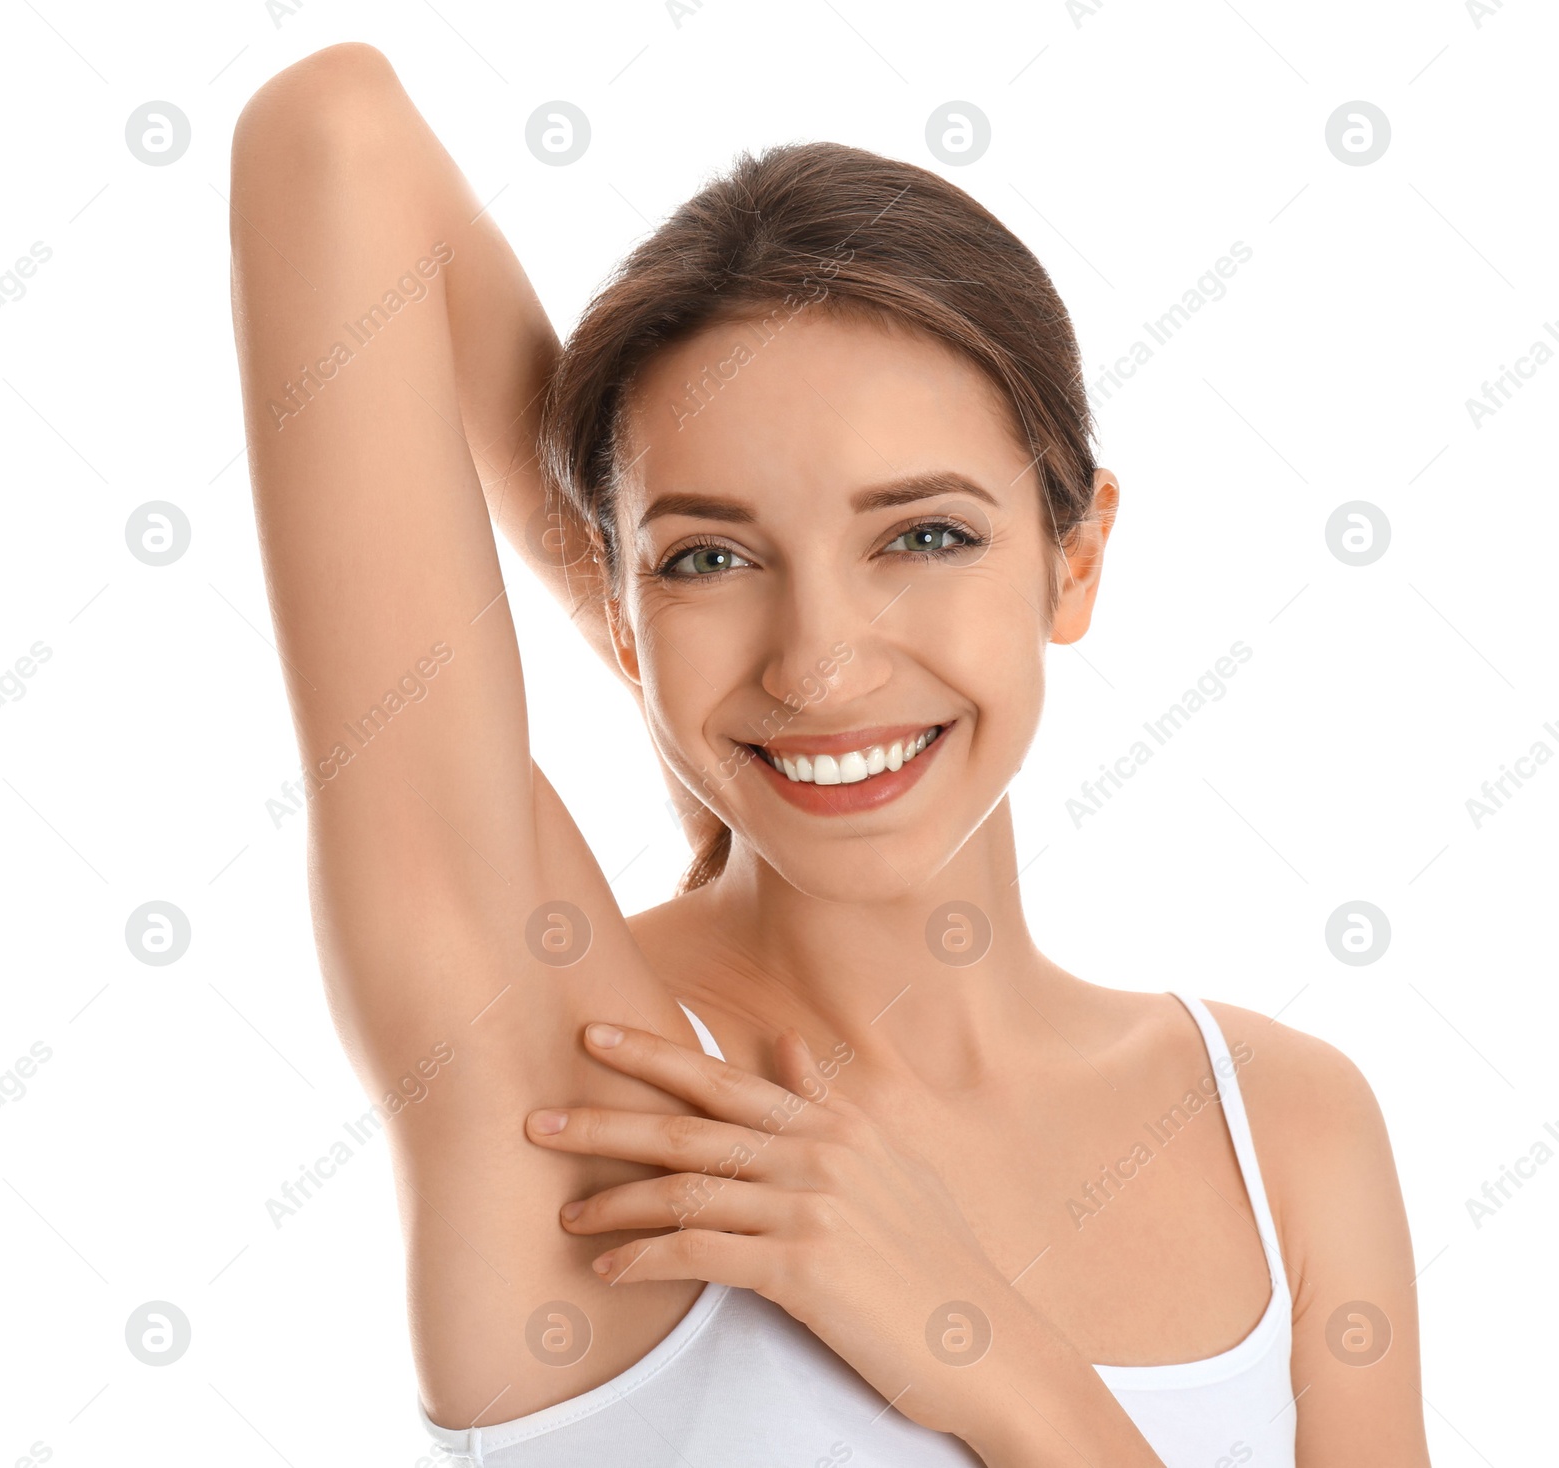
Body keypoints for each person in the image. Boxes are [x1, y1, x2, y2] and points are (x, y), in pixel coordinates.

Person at [228, 41, 1430, 1467]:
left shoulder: (1285, 1124)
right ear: (618, 610)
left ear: (1075, 558)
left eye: (923, 535)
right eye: (713, 557)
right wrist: (672, 680)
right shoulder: (595, 1088)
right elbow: (333, 133)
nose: (820, 664)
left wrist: (993, 1359)